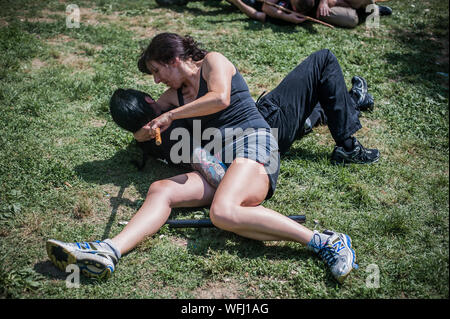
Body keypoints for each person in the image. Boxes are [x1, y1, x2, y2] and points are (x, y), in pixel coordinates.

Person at [46, 33, 376, 284]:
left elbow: (220, 98)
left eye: (157, 70)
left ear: (174, 59)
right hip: (220, 165)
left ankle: (326, 241)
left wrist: (171, 117)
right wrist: (142, 132)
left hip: (253, 144)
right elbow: (146, 117)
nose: (157, 80)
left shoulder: (213, 63)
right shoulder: (171, 96)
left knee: (223, 212)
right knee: (162, 189)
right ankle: (109, 250)